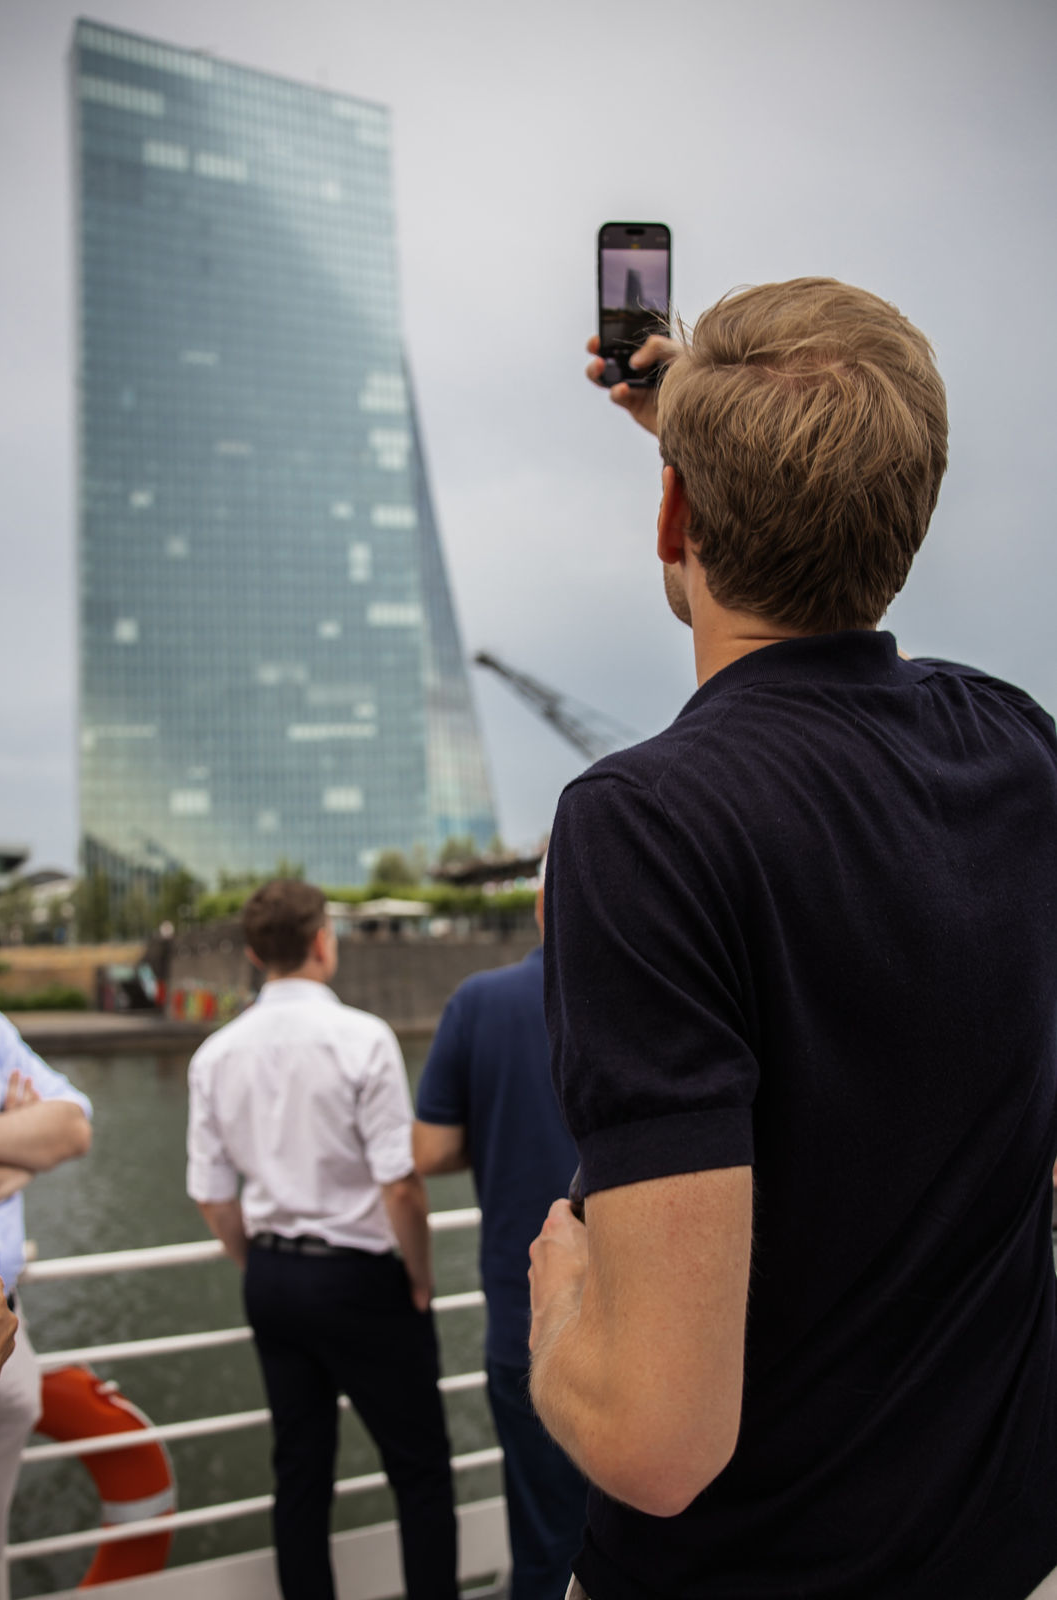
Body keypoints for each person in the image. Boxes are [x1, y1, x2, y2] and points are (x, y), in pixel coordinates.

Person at [528, 280, 1057, 1600]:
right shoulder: (1011, 746)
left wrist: (555, 1307)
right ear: (911, 520)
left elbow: (656, 1442)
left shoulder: (640, 826)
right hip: (1005, 1550)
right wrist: (709, 440)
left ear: (671, 514)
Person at [186, 879, 457, 1600]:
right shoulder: (363, 1038)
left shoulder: (214, 1055)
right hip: (360, 1278)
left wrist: (261, 1263)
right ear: (322, 943)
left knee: (300, 1475)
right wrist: (421, 1278)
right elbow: (399, 1185)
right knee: (420, 1468)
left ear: (252, 954)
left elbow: (212, 1196)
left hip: (273, 1279)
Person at [413, 858, 587, 1600]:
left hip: (529, 1321)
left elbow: (428, 1151)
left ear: (541, 906)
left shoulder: (479, 1002)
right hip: (665, 1322)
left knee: (545, 1542)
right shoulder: (664, 987)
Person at [0, 1003, 93, 1573]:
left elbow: (73, 1128)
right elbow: (46, 1142)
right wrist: (20, 1148)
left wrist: (38, 1145)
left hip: (10, 1332)